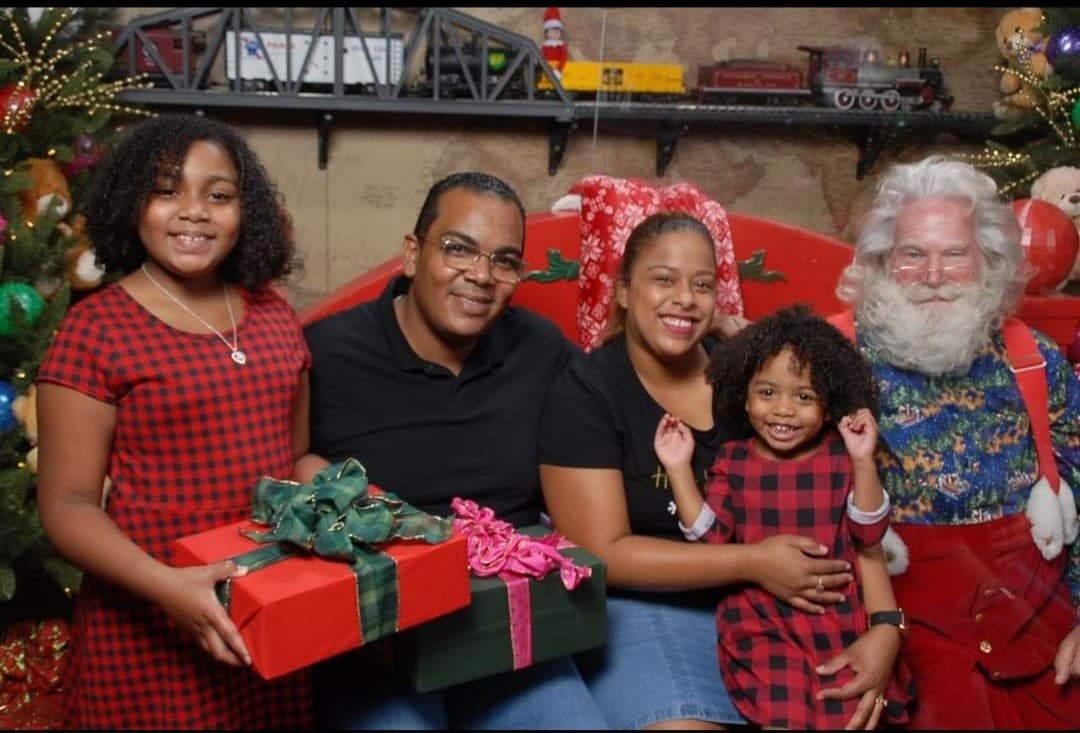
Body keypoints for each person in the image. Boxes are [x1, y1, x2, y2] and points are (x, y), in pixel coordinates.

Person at [538, 212, 901, 730]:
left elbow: (839, 508)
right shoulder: (587, 392)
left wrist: (886, 625)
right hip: (649, 607)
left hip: (784, 608)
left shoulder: (758, 377)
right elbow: (604, 554)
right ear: (622, 291)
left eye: (702, 284)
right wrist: (753, 562)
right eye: (663, 279)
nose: (685, 298)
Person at [299, 171, 607, 729]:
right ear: (413, 254)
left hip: (507, 629)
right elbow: (280, 472)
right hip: (373, 640)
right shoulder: (328, 354)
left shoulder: (539, 348)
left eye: (505, 260)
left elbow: (621, 407)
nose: (481, 276)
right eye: (459, 249)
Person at [35, 114, 312, 729]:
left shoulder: (274, 314)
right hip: (147, 621)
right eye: (166, 191)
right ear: (132, 202)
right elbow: (68, 506)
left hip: (261, 606)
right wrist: (168, 587)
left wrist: (346, 494)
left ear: (248, 212)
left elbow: (294, 458)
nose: (194, 212)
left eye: (219, 195)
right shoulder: (95, 329)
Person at [833, 154, 1080, 729]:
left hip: (1038, 620)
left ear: (988, 261)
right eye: (913, 254)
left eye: (955, 254)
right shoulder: (831, 357)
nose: (934, 274)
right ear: (883, 262)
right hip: (899, 623)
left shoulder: (1033, 359)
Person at [656, 305, 914, 729]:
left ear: (829, 405)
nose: (783, 410)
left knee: (850, 712)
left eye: (804, 396)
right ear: (745, 392)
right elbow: (711, 541)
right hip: (761, 623)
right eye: (767, 392)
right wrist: (679, 468)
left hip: (835, 622)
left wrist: (863, 460)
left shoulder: (840, 456)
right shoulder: (735, 460)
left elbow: (869, 532)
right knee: (787, 715)